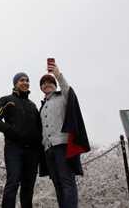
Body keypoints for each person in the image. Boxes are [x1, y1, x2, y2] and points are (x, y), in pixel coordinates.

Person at [39, 61, 90, 208]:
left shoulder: (63, 96)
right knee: (57, 184)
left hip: (62, 145)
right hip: (48, 149)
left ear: (54, 85)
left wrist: (58, 74)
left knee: (67, 181)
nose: (46, 85)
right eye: (43, 83)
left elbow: (67, 89)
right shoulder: (42, 106)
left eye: (49, 82)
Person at [0, 72, 43, 208]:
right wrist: (10, 131)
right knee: (13, 182)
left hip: (32, 151)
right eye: (21, 80)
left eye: (27, 80)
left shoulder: (33, 105)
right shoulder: (6, 100)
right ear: (15, 83)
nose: (25, 82)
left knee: (28, 186)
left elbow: (39, 127)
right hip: (14, 148)